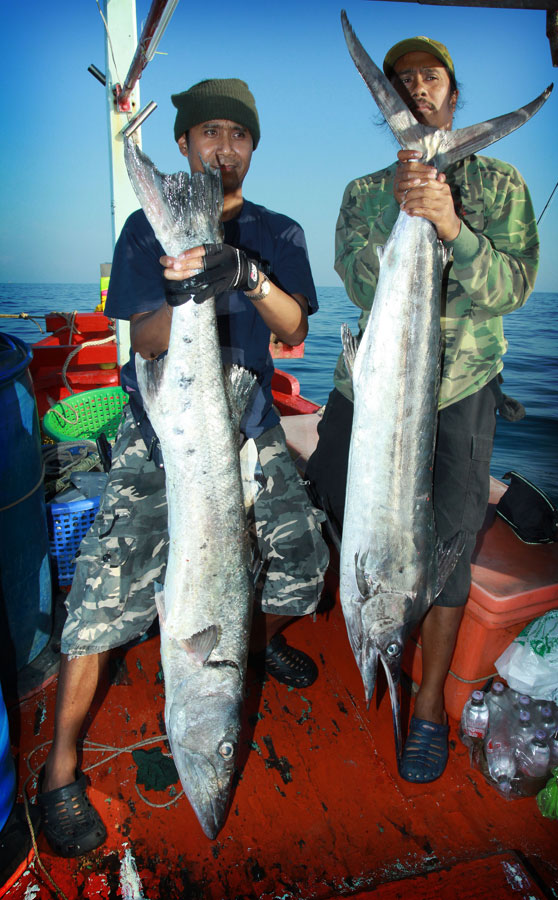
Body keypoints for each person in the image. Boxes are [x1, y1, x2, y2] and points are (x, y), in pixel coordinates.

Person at [38, 77, 329, 857]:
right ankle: (58, 773)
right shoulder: (145, 229)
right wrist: (182, 284)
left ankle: (251, 636)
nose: (223, 148)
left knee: (305, 565)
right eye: (209, 134)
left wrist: (243, 274)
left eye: (238, 135)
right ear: (185, 145)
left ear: (253, 148)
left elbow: (296, 329)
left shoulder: (281, 231)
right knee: (100, 597)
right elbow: (153, 342)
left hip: (253, 422)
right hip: (169, 424)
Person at [306, 37, 539, 783]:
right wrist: (409, 213)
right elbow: (363, 289)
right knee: (330, 506)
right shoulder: (363, 194)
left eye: (428, 77)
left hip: (464, 393)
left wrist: (451, 225)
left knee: (450, 556)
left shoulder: (500, 183)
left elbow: (511, 289)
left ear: (453, 93)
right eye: (400, 82)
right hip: (373, 395)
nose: (414, 90)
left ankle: (430, 705)